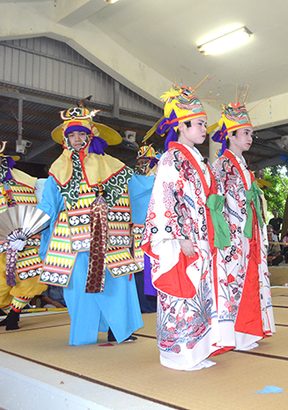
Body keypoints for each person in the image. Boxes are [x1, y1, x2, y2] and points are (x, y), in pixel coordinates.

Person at [141, 84, 233, 370]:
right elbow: (166, 197)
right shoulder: (172, 158)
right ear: (182, 125)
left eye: (205, 123)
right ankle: (177, 355)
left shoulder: (198, 160)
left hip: (201, 236)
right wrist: (178, 236)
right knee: (181, 296)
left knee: (200, 296)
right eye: (201, 123)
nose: (205, 128)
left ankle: (197, 351)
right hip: (182, 237)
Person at [38, 106, 142, 345]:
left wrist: (161, 174)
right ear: (66, 138)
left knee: (115, 283)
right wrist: (27, 228)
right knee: (77, 290)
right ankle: (83, 333)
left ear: (90, 135)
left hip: (105, 236)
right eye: (72, 135)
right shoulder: (57, 169)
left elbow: (136, 188)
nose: (77, 139)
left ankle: (119, 330)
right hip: (70, 239)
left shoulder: (110, 164)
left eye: (81, 134)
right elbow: (48, 206)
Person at [211, 101, 275, 351]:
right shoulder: (221, 165)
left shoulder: (243, 165)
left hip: (248, 233)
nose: (250, 138)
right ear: (231, 135)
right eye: (245, 133)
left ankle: (248, 331)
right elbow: (216, 204)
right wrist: (224, 234)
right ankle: (234, 335)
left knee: (250, 280)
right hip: (233, 235)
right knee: (234, 282)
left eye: (250, 133)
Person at [0, 145, 47, 330]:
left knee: (30, 276)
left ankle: (14, 314)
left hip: (27, 240)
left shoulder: (28, 182)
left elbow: (44, 205)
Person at [128, 144, 159, 314]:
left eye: (146, 161)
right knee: (143, 269)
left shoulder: (131, 180)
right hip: (143, 230)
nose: (143, 165)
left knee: (145, 268)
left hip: (144, 229)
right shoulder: (156, 179)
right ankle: (146, 304)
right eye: (141, 161)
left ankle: (145, 304)